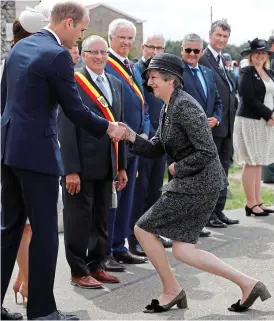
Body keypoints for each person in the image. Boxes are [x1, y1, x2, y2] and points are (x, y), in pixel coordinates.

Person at [1, 1, 126, 320]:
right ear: (68, 23)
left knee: (10, 229)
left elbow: (4, 101)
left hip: (8, 149)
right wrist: (109, 127)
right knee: (44, 234)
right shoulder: (56, 54)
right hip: (37, 154)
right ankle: (43, 312)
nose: (81, 38)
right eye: (83, 30)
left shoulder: (22, 46)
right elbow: (75, 109)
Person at [123, 52, 271, 313]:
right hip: (195, 183)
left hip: (199, 183)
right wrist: (130, 136)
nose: (150, 83)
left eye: (154, 78)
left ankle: (171, 290)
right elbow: (157, 146)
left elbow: (206, 151)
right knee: (183, 251)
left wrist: (177, 167)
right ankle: (249, 284)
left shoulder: (185, 106)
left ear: (171, 80)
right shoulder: (170, 105)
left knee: (143, 229)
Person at [59, 35, 127, 288]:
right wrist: (70, 170)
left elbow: (119, 129)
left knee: (100, 217)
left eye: (103, 53)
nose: (99, 57)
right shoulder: (73, 83)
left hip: (107, 163)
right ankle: (78, 271)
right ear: (83, 54)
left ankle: (97, 264)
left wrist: (121, 166)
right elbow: (64, 128)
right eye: (93, 52)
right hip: (81, 165)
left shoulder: (116, 83)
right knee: (78, 220)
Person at [0, 5, 50, 319]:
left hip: (15, 148)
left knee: (20, 226)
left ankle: (25, 282)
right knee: (20, 227)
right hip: (18, 149)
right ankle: (29, 285)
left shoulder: (16, 57)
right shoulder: (23, 59)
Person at [105, 18, 149, 266]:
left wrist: (144, 131)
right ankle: (108, 250)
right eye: (121, 37)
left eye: (130, 38)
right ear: (112, 38)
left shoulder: (131, 66)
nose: (126, 42)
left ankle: (119, 245)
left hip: (135, 141)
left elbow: (142, 103)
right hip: (116, 142)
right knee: (114, 198)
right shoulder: (106, 64)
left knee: (128, 197)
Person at [129, 32, 172, 256]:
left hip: (162, 138)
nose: (155, 52)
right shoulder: (136, 71)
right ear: (143, 47)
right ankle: (135, 238)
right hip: (146, 138)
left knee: (156, 189)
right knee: (140, 190)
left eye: (160, 48)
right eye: (151, 47)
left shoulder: (166, 73)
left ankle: (152, 232)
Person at [180, 33, 223, 237]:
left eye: (196, 50)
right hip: (184, 137)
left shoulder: (207, 72)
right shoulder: (177, 73)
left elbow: (218, 102)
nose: (192, 54)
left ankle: (195, 224)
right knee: (184, 183)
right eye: (188, 50)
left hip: (207, 136)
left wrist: (216, 118)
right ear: (182, 50)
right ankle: (181, 226)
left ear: (202, 51)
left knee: (201, 182)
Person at [199, 20, 239, 228]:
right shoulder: (203, 59)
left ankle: (218, 210)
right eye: (218, 36)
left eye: (225, 37)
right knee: (211, 172)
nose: (221, 40)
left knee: (223, 170)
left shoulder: (223, 60)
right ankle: (208, 215)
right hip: (213, 125)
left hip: (228, 126)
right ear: (210, 35)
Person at [233, 38, 274, 216]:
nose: (260, 56)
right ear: (251, 55)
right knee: (250, 161)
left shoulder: (269, 72)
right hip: (250, 121)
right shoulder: (246, 71)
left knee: (258, 162)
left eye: (263, 53)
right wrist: (268, 114)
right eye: (257, 53)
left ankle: (258, 201)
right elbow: (248, 97)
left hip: (266, 122)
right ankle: (250, 203)